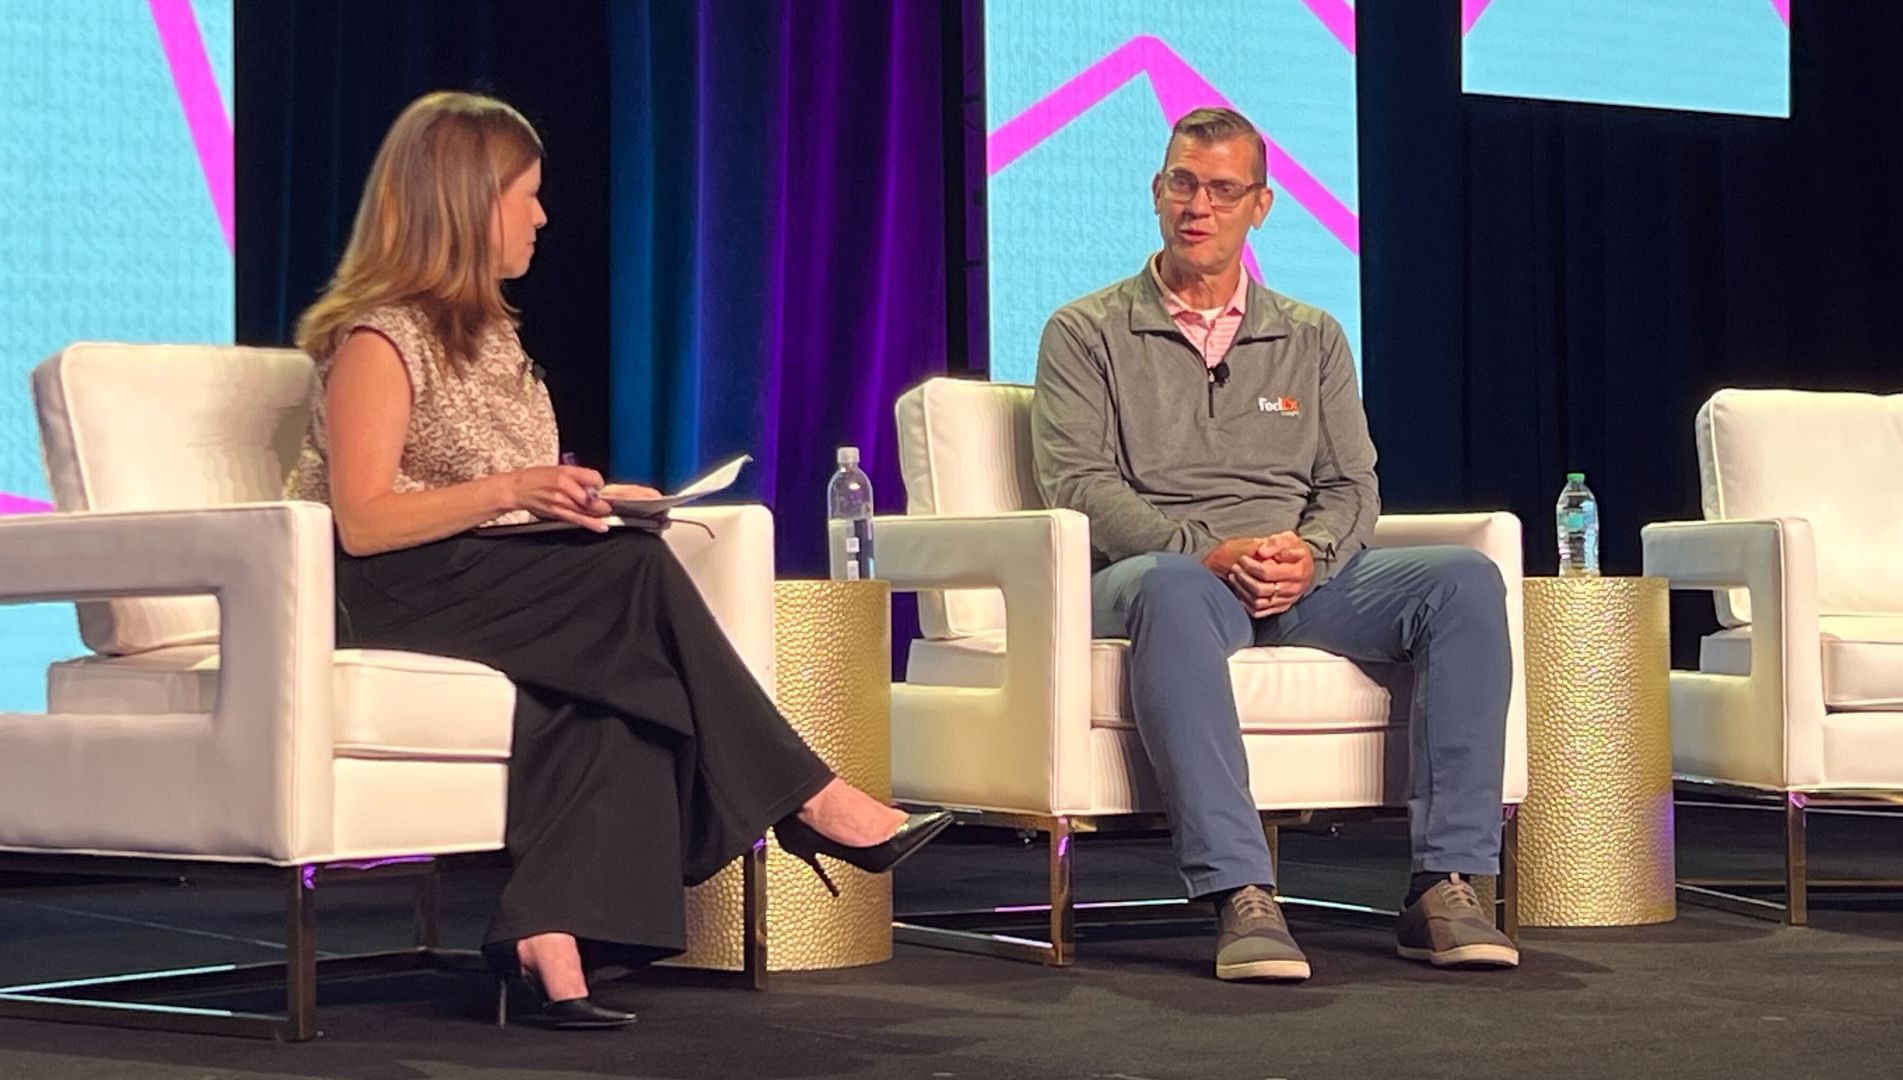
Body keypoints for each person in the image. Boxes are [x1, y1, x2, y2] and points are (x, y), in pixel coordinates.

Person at [287, 91, 950, 1028]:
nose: (541, 216)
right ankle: (809, 797)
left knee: (619, 676)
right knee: (633, 576)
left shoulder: (494, 338)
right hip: (381, 590)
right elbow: (361, 520)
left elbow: (494, 485)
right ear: (467, 204)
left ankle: (547, 937)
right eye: (526, 195)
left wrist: (586, 495)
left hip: (479, 576)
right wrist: (517, 490)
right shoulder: (378, 338)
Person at [1030, 107, 1517, 983]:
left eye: (1224, 190)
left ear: (1261, 206)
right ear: (1156, 192)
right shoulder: (1085, 330)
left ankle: (1446, 884)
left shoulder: (1312, 335)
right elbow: (1080, 485)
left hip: (1298, 577)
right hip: (1159, 575)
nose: (1199, 207)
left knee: (1464, 580)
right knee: (1174, 586)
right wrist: (1205, 550)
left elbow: (1352, 484)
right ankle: (1240, 891)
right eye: (1184, 184)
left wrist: (1313, 554)